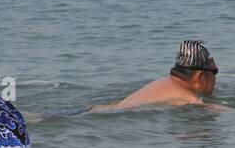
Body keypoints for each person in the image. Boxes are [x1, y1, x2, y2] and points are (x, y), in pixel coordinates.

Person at [90, 40, 219, 111]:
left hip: (95, 110)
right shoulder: (188, 99)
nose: (215, 79)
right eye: (214, 72)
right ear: (200, 77)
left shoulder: (160, 83)